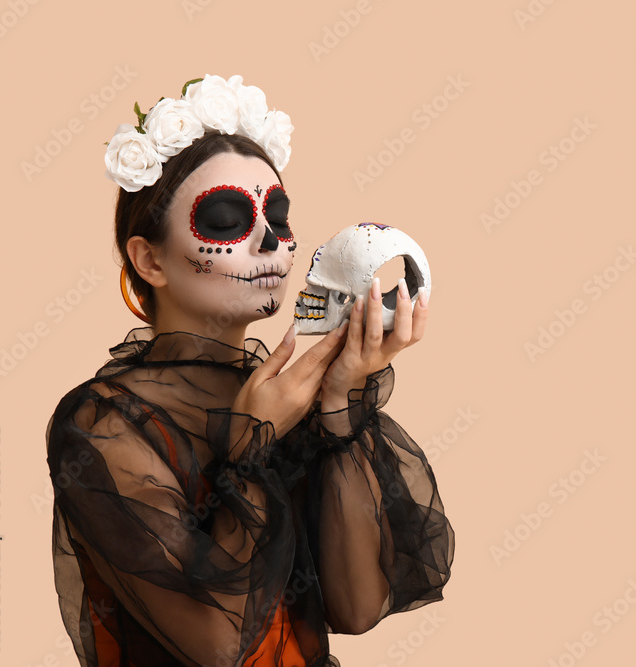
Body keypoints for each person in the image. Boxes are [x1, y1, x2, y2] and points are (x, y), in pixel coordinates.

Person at [46, 75, 454, 667]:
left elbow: (357, 609)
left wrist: (338, 402)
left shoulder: (288, 398)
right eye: (226, 217)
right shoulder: (100, 421)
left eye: (279, 215)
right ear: (150, 260)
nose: (271, 240)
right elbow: (217, 644)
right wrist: (249, 449)